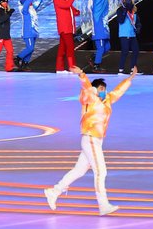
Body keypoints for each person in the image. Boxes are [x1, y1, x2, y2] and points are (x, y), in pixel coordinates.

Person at [44, 66, 137, 216]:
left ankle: (53, 191)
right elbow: (86, 86)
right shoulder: (90, 98)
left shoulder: (107, 100)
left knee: (79, 171)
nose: (103, 91)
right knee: (101, 172)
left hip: (96, 141)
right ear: (95, 89)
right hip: (91, 138)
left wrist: (130, 78)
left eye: (104, 88)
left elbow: (118, 92)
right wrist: (82, 74)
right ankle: (103, 204)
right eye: (100, 88)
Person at [16, 0, 46, 70]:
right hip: (28, 32)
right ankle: (17, 58)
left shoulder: (32, 9)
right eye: (30, 2)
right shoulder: (24, 11)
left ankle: (25, 63)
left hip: (34, 32)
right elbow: (26, 5)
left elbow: (37, 4)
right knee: (30, 48)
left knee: (31, 49)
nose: (31, 3)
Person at [53, 0, 80, 72]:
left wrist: (77, 11)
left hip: (68, 28)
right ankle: (72, 67)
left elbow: (71, 9)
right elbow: (67, 4)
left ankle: (59, 68)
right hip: (65, 28)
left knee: (62, 48)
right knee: (70, 48)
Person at [115, 0, 140, 74]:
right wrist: (124, 11)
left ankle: (133, 69)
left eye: (130, 0)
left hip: (132, 34)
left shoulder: (134, 11)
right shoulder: (120, 10)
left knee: (135, 50)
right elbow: (120, 20)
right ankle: (121, 70)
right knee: (125, 51)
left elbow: (138, 23)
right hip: (124, 34)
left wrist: (138, 28)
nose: (129, 1)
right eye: (127, 0)